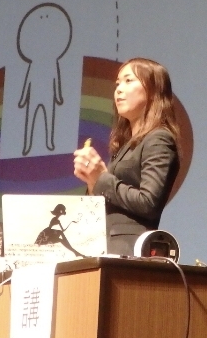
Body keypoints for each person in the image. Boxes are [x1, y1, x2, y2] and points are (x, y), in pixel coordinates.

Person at [73, 58, 181, 256]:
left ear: (153, 90)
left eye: (128, 81)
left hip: (129, 250)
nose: (119, 90)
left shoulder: (159, 139)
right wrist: (92, 181)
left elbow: (148, 202)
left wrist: (101, 178)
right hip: (102, 248)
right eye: (117, 84)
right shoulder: (126, 145)